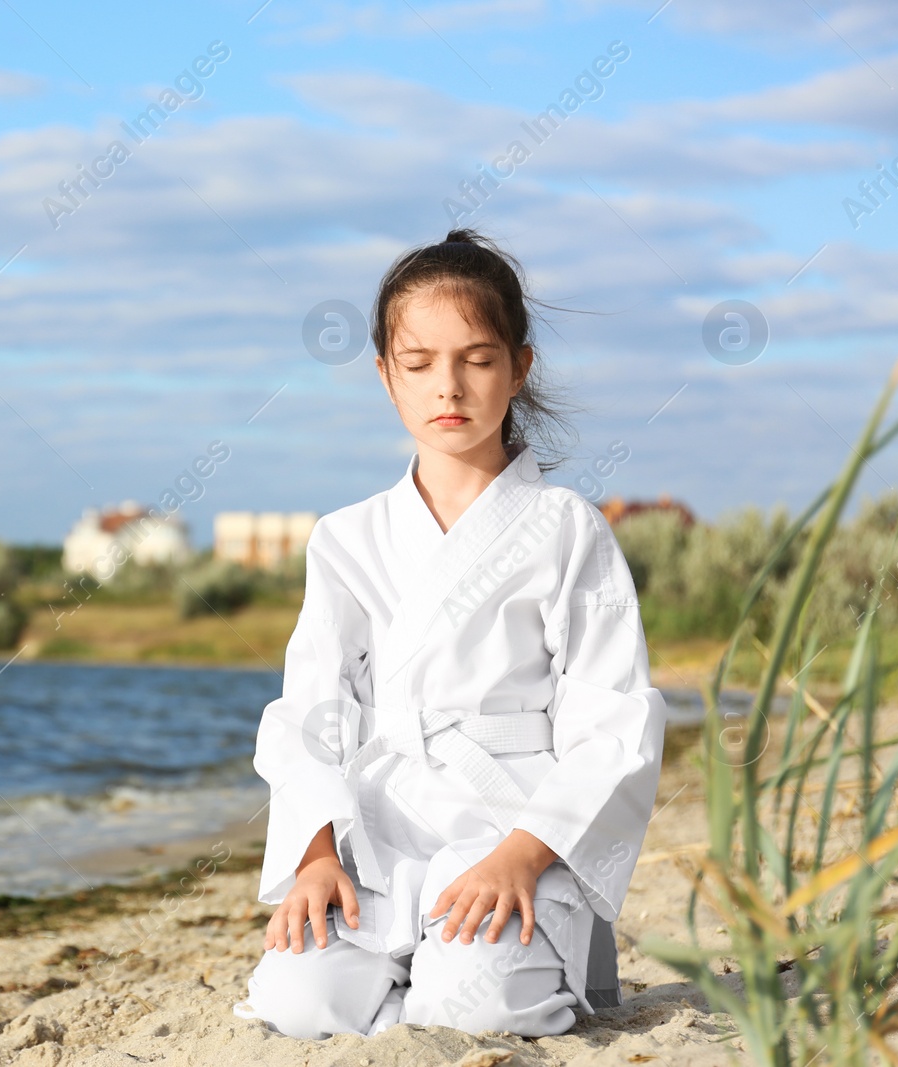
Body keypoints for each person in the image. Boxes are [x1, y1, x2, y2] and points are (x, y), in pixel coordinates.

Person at [232, 229, 667, 1040]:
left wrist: (525, 852)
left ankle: (479, 958)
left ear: (519, 367)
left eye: (477, 357)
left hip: (514, 828)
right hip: (382, 837)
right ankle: (408, 962)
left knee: (478, 1004)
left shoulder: (566, 528)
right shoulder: (347, 536)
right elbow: (309, 712)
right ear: (385, 376)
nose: (450, 387)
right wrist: (317, 853)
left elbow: (614, 722)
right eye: (420, 362)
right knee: (296, 1000)